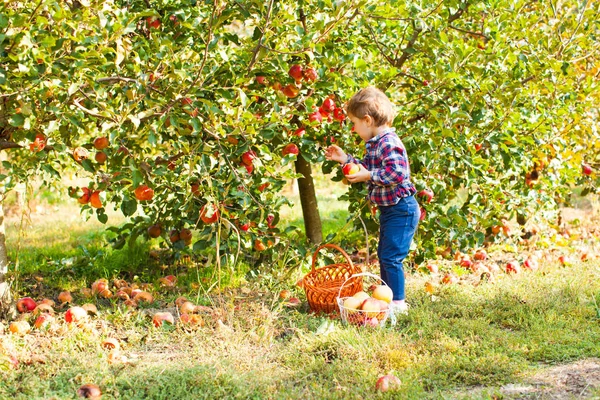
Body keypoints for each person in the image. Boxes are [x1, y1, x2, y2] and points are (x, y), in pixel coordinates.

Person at [325, 86, 419, 315]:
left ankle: (397, 304)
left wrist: (369, 176)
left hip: (402, 209)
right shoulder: (378, 142)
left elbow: (398, 174)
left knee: (391, 257)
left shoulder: (388, 142)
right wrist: (346, 159)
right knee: (385, 253)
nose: (354, 129)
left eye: (355, 123)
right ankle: (386, 299)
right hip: (392, 210)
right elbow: (371, 167)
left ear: (367, 120)